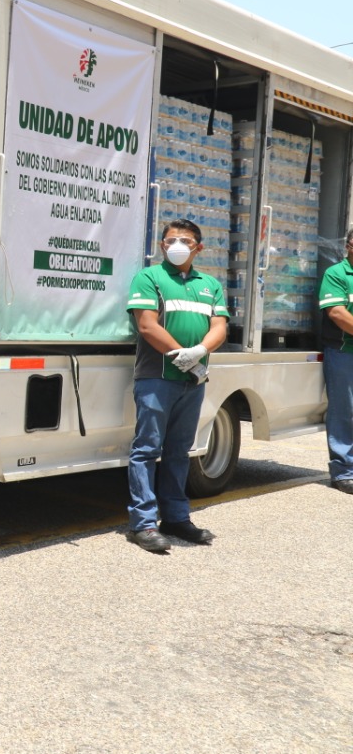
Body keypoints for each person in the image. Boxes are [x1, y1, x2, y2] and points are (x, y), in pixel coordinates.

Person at [124, 218, 229, 553]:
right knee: (146, 450)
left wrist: (199, 352)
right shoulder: (149, 278)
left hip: (192, 380)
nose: (176, 245)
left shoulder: (210, 284)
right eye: (170, 240)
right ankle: (143, 523)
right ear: (161, 246)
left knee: (179, 452)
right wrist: (177, 354)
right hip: (157, 377)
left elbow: (220, 327)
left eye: (185, 240)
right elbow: (146, 325)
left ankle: (176, 518)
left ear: (198, 247)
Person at [319, 227, 353, 494]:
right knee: (344, 411)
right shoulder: (337, 274)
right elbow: (337, 313)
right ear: (349, 246)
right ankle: (343, 471)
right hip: (344, 351)